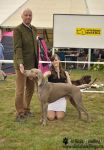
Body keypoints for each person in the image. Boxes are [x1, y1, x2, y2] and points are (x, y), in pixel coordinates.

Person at [13, 8, 38, 122]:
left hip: (32, 66)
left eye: (30, 15)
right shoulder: (18, 30)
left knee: (31, 89)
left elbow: (35, 48)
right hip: (21, 65)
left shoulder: (34, 29)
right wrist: (20, 63)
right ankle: (20, 113)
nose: (28, 17)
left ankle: (26, 109)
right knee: (20, 90)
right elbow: (18, 47)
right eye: (26, 15)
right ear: (22, 16)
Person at [44, 54, 72, 121]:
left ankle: (60, 110)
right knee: (51, 117)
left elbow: (70, 85)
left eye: (56, 60)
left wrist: (67, 94)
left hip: (61, 98)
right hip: (52, 98)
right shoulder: (49, 72)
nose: (54, 62)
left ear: (59, 60)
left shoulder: (65, 73)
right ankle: (49, 109)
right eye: (52, 60)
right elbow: (42, 77)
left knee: (59, 117)